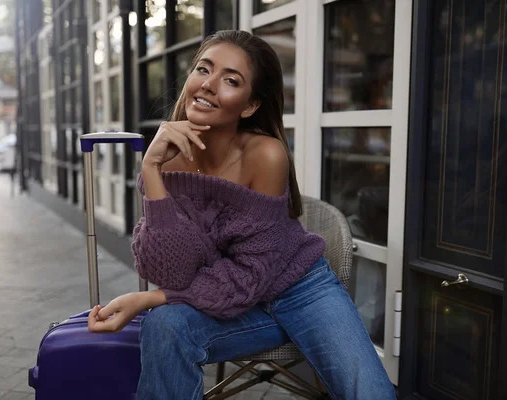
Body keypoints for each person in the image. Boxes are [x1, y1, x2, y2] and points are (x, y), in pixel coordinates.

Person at [87, 30, 396, 400]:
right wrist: (152, 171)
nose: (208, 85)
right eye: (204, 69)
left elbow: (249, 274)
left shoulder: (265, 155)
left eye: (231, 80)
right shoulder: (167, 163)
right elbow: (174, 272)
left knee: (371, 394)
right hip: (230, 301)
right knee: (165, 326)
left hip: (299, 291)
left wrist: (146, 299)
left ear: (249, 106)